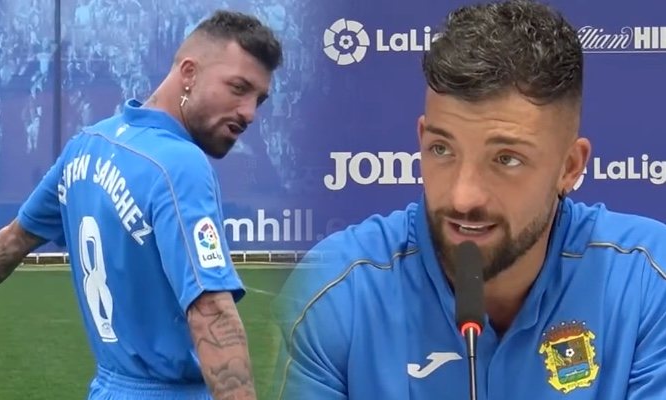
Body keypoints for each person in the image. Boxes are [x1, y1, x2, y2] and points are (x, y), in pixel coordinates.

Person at [271, 1, 666, 399]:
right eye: (442, 149)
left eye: (506, 159)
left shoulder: (649, 282)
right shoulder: (337, 292)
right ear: (422, 138)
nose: (463, 197)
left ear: (570, 166)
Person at [0, 10, 282, 400]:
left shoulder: (88, 144)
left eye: (259, 99)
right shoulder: (179, 164)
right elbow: (211, 313)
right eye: (238, 88)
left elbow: (8, 245)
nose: (250, 113)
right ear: (188, 72)